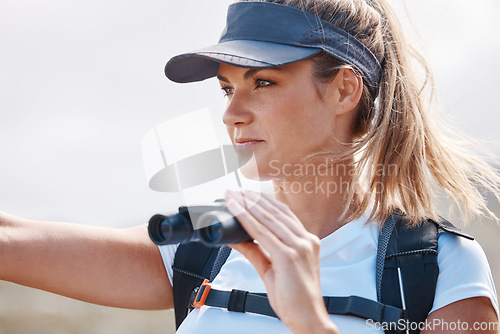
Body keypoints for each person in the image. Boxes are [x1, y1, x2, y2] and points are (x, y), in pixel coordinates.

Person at [0, 0, 499, 333]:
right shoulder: (201, 243)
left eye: (262, 83)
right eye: (225, 87)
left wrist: (309, 320)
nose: (230, 113)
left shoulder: (438, 267)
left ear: (345, 89)